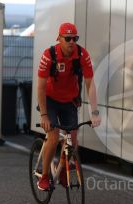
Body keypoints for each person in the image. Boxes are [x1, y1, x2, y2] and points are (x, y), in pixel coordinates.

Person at [37, 22, 101, 191]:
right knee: (54, 135)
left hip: (69, 101)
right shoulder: (49, 55)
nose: (72, 41)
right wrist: (44, 115)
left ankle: (65, 169)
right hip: (50, 100)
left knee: (73, 139)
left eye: (75, 38)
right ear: (59, 39)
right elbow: (40, 87)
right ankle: (44, 176)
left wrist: (94, 112)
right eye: (68, 38)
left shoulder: (82, 54)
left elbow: (90, 84)